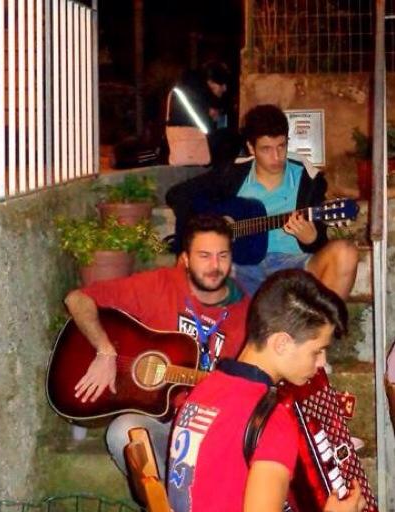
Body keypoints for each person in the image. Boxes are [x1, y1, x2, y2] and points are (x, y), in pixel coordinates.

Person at [167, 269, 395, 512]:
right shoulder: (270, 419)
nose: (321, 364)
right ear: (281, 343)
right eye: (317, 350)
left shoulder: (206, 392)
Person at [64, 214, 250, 479]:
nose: (214, 266)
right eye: (204, 256)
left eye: (222, 256)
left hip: (208, 427)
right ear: (185, 259)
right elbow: (77, 299)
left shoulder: (246, 315)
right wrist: (104, 350)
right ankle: (168, 502)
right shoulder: (159, 285)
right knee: (124, 433)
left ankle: (182, 502)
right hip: (158, 421)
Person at [166, 104, 359, 300]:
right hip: (239, 267)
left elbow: (319, 243)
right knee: (194, 263)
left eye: (281, 146)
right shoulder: (232, 174)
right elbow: (177, 195)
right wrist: (213, 226)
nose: (276, 157)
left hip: (293, 266)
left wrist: (311, 239)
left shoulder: (308, 180)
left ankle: (324, 320)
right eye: (266, 149)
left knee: (346, 253)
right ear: (251, 147)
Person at [167, 61, 242, 165]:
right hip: (191, 146)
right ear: (210, 82)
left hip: (193, 145)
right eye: (221, 84)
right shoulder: (187, 94)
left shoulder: (199, 95)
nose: (224, 88)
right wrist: (210, 116)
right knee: (231, 137)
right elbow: (204, 127)